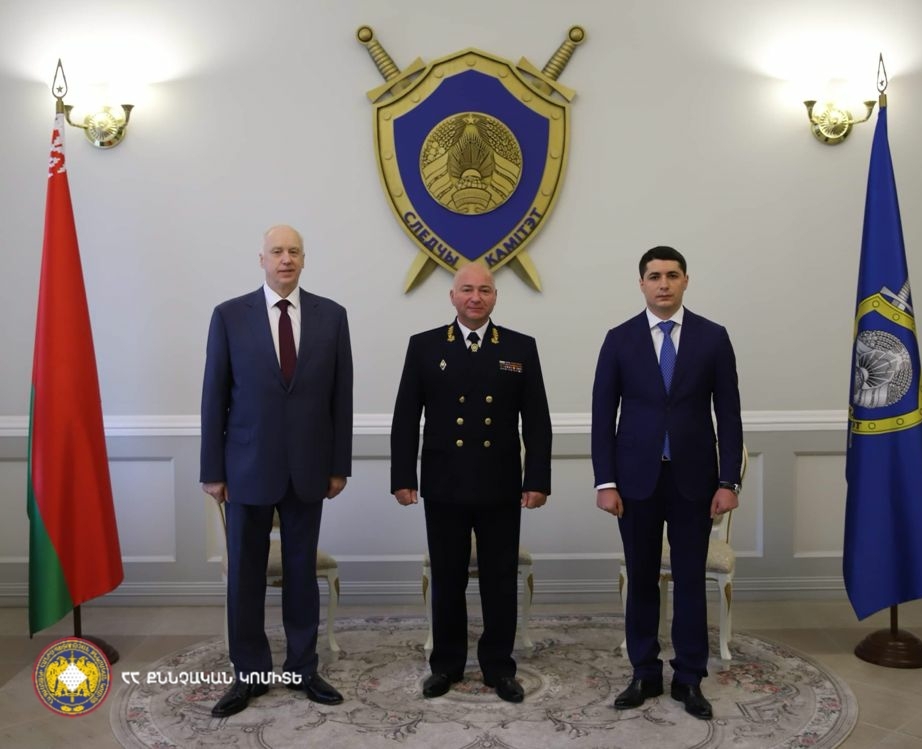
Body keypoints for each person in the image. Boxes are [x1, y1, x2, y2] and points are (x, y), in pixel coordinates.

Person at [200, 224, 353, 717]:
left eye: (294, 252)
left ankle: (303, 669)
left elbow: (341, 398)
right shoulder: (229, 316)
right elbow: (214, 396)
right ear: (261, 259)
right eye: (277, 251)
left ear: (304, 260)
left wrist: (339, 465)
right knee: (244, 577)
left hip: (309, 468)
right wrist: (212, 470)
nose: (286, 259)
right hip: (245, 468)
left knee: (301, 575)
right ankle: (248, 674)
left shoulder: (332, 316)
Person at [591, 246, 743, 720]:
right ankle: (644, 672)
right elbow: (602, 416)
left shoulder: (713, 337)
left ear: (685, 281)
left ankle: (689, 677)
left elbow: (729, 415)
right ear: (641, 283)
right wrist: (605, 481)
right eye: (654, 276)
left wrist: (729, 481)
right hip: (634, 481)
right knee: (641, 578)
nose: (663, 284)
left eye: (672, 275)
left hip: (694, 480)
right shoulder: (619, 339)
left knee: (690, 579)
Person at [391, 262, 552, 704]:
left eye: (484, 290)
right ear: (453, 296)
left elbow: (537, 421)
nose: (475, 297)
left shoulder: (519, 347)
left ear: (495, 296)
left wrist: (538, 478)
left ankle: (499, 667)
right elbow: (406, 416)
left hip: (501, 483)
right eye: (466, 289)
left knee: (499, 580)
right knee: (448, 579)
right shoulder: (425, 346)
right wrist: (403, 476)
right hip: (444, 482)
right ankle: (446, 665)